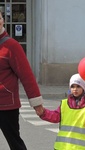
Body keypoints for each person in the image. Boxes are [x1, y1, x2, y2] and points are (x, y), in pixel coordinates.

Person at [0, 10, 44, 150]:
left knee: (15, 143)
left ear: (3, 20)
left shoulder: (12, 46)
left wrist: (36, 103)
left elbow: (27, 76)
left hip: (7, 104)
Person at [38, 73, 85, 150]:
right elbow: (55, 116)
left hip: (79, 147)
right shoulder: (64, 104)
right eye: (72, 86)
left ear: (84, 88)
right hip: (62, 146)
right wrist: (43, 113)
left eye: (78, 86)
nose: (75, 89)